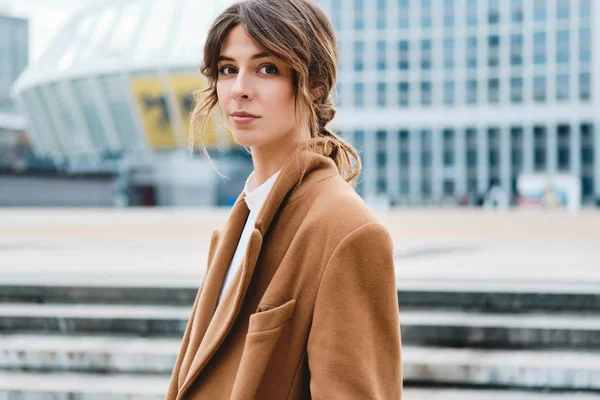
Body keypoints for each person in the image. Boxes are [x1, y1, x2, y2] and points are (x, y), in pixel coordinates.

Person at [166, 0, 402, 398]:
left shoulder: (346, 229)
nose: (240, 89)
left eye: (267, 69)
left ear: (314, 84)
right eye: (228, 69)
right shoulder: (241, 219)